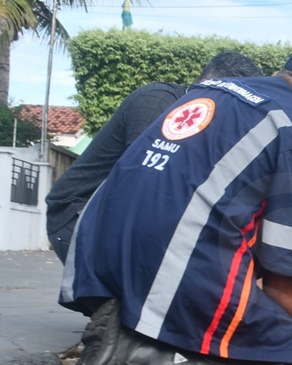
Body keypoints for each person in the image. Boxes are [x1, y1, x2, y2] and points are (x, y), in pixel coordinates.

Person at [59, 43, 292, 365]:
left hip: (95, 264)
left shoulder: (212, 92)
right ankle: (136, 359)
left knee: (225, 338)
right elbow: (283, 283)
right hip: (174, 273)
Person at [45, 51, 264, 262]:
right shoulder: (158, 102)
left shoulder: (211, 124)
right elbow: (145, 185)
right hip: (77, 213)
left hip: (117, 218)